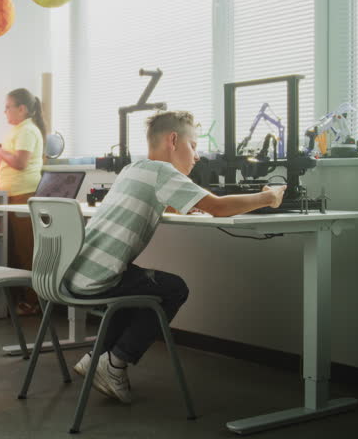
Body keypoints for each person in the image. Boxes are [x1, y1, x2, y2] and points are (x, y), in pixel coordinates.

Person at [66, 110, 286, 404]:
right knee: (173, 289)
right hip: (99, 278)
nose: (196, 156)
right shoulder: (163, 172)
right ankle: (114, 363)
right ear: (173, 140)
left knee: (141, 287)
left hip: (75, 272)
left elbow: (152, 200)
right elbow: (219, 207)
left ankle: (96, 357)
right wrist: (267, 197)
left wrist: (183, 205)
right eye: (193, 145)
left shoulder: (133, 169)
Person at [0, 88, 46, 314]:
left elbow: (20, 162)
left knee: (26, 249)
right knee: (13, 250)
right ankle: (18, 300)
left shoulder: (28, 130)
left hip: (24, 196)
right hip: (10, 197)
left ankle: (32, 301)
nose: (4, 111)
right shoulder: (16, 131)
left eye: (7, 106)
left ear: (22, 109)